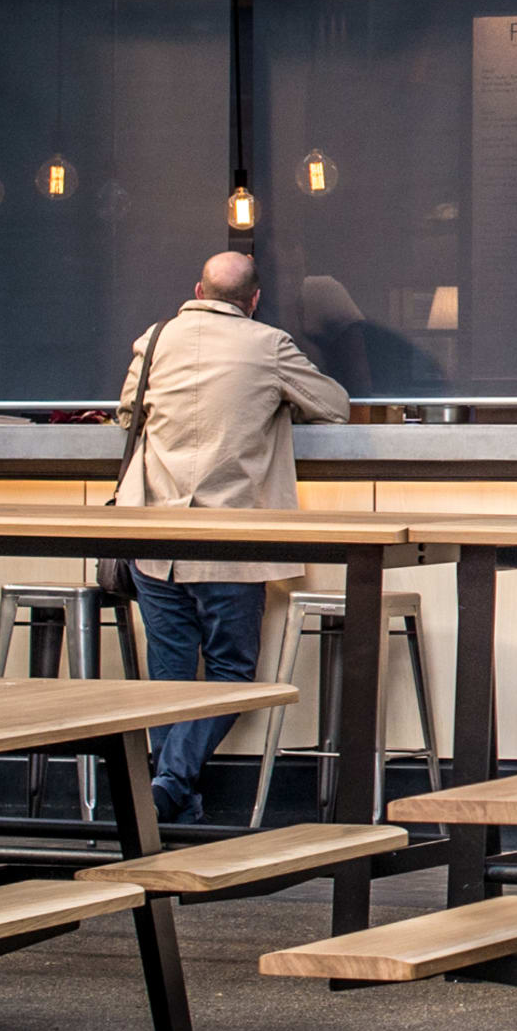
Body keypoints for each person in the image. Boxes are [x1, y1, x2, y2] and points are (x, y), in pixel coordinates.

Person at [112, 250, 351, 821]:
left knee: (170, 676)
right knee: (229, 673)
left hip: (156, 539)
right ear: (255, 299)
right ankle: (171, 785)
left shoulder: (156, 338)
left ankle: (170, 793)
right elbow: (335, 406)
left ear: (197, 287)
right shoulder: (267, 346)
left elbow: (127, 413)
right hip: (230, 541)